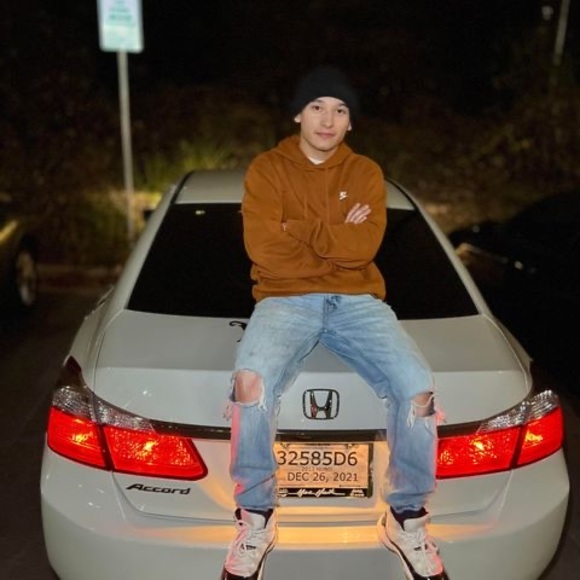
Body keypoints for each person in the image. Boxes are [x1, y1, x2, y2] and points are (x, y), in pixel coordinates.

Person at [221, 66, 448, 580]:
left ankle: (407, 517)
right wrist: (332, 237)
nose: (328, 120)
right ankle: (255, 515)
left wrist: (297, 229)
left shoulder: (365, 173)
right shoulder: (266, 170)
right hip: (283, 299)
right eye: (317, 107)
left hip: (358, 301)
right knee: (249, 383)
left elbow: (362, 248)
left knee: (417, 387)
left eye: (340, 110)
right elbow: (264, 250)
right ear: (298, 114)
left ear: (351, 123)